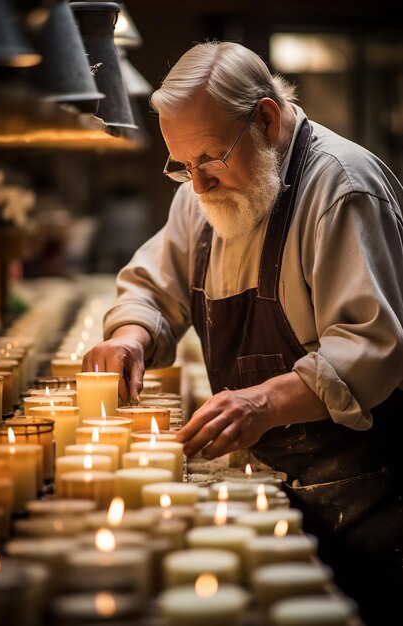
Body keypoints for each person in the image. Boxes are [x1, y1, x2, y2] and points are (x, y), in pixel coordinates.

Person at [82, 41, 403, 625]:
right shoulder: (204, 197)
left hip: (364, 498)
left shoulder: (340, 188)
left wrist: (262, 402)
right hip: (275, 482)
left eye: (210, 158)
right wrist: (129, 336)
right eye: (182, 165)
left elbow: (372, 347)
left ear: (266, 118)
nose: (198, 186)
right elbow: (154, 287)